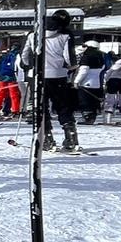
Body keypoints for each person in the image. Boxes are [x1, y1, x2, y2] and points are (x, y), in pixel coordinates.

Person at [37, 10, 79, 151]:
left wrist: (28, 68)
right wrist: (70, 67)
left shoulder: (34, 34)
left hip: (39, 75)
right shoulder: (65, 35)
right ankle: (71, 137)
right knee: (63, 106)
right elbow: (69, 57)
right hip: (59, 75)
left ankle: (46, 138)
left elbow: (25, 56)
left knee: (42, 108)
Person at [74, 40, 106, 123]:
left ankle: (87, 117)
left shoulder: (86, 56)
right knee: (94, 101)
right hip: (97, 82)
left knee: (85, 101)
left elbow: (84, 70)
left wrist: (76, 81)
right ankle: (92, 117)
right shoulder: (101, 56)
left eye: (84, 46)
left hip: (86, 82)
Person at [0, 40, 22, 119]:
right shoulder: (17, 55)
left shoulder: (5, 55)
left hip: (2, 76)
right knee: (14, 94)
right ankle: (15, 111)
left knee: (0, 94)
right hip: (12, 76)